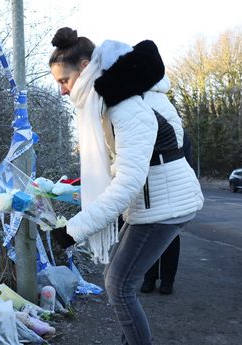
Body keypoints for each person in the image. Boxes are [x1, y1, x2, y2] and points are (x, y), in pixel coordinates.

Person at [47, 27, 204, 345]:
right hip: (154, 202)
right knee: (118, 281)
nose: (62, 91)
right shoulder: (114, 97)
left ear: (84, 66)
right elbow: (121, 167)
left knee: (119, 284)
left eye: (64, 81)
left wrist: (71, 230)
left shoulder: (124, 103)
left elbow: (128, 182)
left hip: (163, 204)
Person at [140, 132, 194, 295]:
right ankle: (153, 279)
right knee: (153, 234)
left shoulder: (179, 133)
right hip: (151, 188)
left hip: (171, 187)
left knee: (169, 236)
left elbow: (187, 163)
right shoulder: (149, 127)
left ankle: (165, 280)